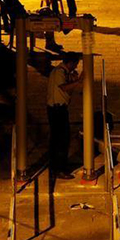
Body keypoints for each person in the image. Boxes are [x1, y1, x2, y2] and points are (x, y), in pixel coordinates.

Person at [47, 52, 83, 180]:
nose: (76, 67)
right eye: (75, 64)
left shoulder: (63, 73)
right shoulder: (59, 72)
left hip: (59, 108)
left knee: (57, 139)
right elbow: (63, 88)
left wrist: (74, 81)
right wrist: (78, 82)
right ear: (71, 62)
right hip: (57, 109)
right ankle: (59, 169)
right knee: (62, 140)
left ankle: (56, 167)